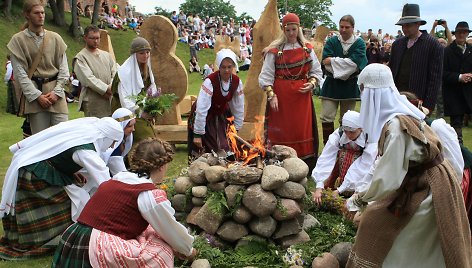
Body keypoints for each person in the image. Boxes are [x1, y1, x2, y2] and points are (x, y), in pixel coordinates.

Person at [345, 63, 471, 268]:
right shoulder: (402, 114)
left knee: (377, 226)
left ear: (371, 94)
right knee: (417, 247)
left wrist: (359, 199)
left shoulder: (397, 126)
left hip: (430, 188)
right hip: (425, 182)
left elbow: (388, 178)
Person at [52, 137, 197, 267]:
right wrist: (188, 250)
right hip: (99, 246)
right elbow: (168, 228)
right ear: (161, 166)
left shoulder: (119, 178)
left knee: (149, 230)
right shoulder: (149, 194)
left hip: (75, 236)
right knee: (162, 249)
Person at [0, 117, 123, 260]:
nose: (111, 146)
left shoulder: (85, 133)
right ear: (106, 137)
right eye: (113, 141)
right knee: (67, 204)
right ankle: (37, 241)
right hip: (34, 174)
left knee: (77, 198)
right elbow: (105, 182)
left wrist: (70, 170)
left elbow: (60, 150)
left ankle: (40, 237)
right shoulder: (85, 150)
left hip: (39, 169)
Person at [259, 12, 323, 170]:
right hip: (281, 96)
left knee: (301, 129)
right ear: (283, 30)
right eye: (288, 30)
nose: (291, 33)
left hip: (302, 97)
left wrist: (312, 83)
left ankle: (303, 164)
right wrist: (271, 95)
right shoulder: (274, 51)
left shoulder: (307, 49)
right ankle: (278, 160)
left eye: (294, 29)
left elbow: (317, 71)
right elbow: (265, 76)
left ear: (298, 28)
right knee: (282, 129)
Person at [7, 0, 69, 134]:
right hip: (35, 98)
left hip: (56, 96)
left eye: (42, 12)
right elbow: (20, 75)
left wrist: (57, 92)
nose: (41, 16)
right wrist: (37, 96)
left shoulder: (56, 38)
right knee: (41, 143)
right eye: (36, 13)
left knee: (63, 140)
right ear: (27, 15)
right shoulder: (17, 41)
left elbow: (64, 70)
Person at [319, 15, 367, 145]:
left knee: (347, 119)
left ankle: (343, 148)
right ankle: (328, 146)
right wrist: (346, 65)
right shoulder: (332, 41)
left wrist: (334, 61)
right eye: (341, 27)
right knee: (326, 117)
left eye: (347, 27)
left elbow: (356, 64)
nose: (344, 30)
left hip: (350, 86)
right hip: (331, 85)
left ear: (353, 28)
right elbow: (325, 62)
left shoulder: (359, 43)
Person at [188, 49, 244, 159]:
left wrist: (236, 129)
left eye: (229, 67)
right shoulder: (210, 82)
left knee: (224, 146)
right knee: (206, 147)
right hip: (205, 116)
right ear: (219, 66)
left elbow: (238, 107)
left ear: (233, 66)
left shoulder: (237, 82)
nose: (227, 70)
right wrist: (197, 134)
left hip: (222, 114)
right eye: (223, 67)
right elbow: (202, 108)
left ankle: (222, 170)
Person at [311, 110, 377, 204]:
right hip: (343, 163)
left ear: (361, 128)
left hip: (366, 168)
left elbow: (365, 165)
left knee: (351, 156)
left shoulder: (370, 138)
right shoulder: (339, 133)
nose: (348, 135)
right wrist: (319, 186)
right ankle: (334, 187)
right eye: (346, 131)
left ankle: (355, 193)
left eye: (352, 132)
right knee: (343, 154)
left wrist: (340, 190)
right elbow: (326, 157)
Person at [389, 3, 444, 112]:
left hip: (419, 101)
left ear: (418, 24)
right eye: (402, 26)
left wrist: (428, 107)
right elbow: (391, 72)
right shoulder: (397, 44)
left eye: (408, 25)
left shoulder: (433, 45)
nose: (404, 29)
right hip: (396, 98)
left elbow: (435, 79)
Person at [112, 37, 159, 142]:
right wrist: (141, 113)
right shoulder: (124, 73)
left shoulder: (146, 70)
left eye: (147, 52)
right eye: (142, 53)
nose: (145, 55)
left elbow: (152, 90)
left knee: (151, 137)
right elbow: (125, 101)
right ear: (134, 55)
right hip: (125, 114)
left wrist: (153, 108)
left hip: (140, 112)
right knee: (145, 138)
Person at [74, 25, 117, 118]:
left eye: (97, 38)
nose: (96, 41)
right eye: (92, 38)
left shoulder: (106, 55)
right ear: (85, 38)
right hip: (93, 101)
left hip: (109, 100)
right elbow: (88, 79)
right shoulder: (81, 58)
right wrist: (106, 89)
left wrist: (112, 86)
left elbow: (115, 72)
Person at [443, 21, 472, 145]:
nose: (461, 35)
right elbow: (442, 73)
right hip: (454, 94)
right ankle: (459, 156)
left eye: (464, 32)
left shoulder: (471, 50)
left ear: (467, 34)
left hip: (469, 92)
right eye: (459, 32)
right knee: (456, 130)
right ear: (455, 33)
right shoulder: (447, 51)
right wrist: (459, 77)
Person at [103, 107, 136, 175]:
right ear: (121, 125)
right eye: (130, 126)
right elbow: (120, 174)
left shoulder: (123, 140)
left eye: (133, 125)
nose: (133, 129)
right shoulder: (113, 146)